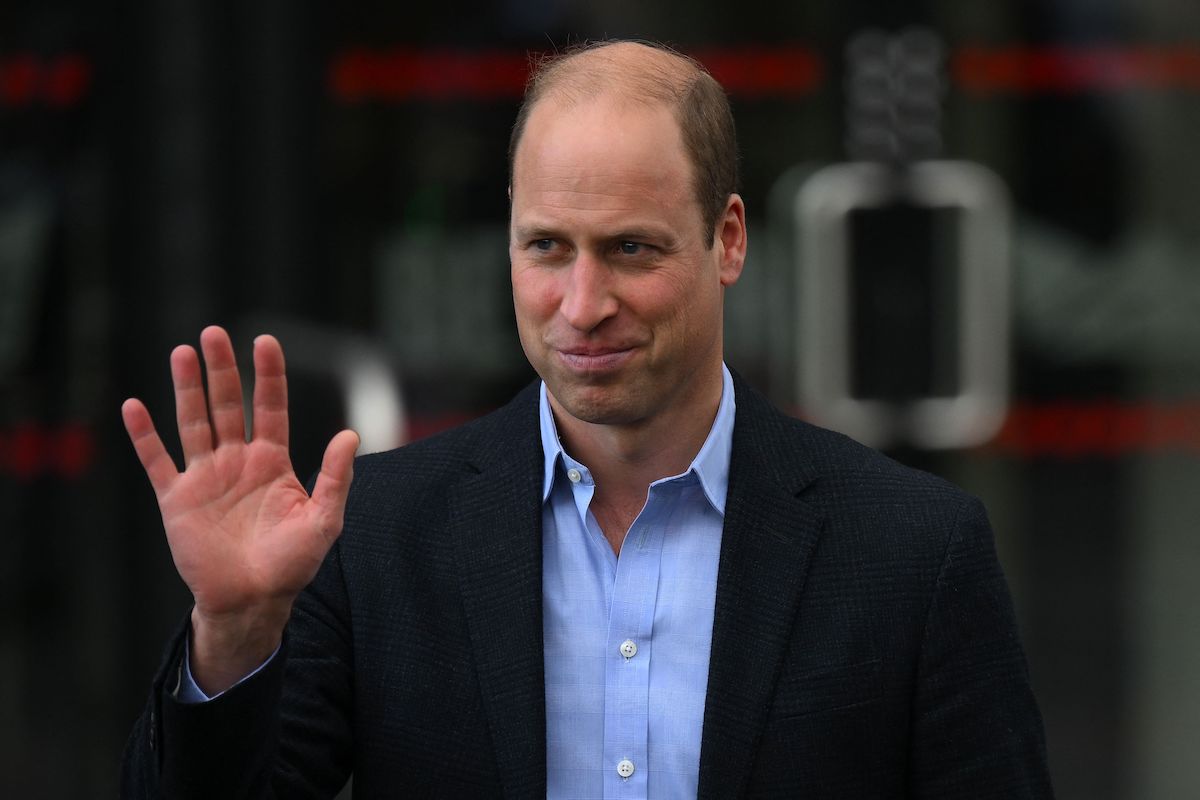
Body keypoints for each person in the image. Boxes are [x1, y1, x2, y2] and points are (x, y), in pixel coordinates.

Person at [121, 40, 1053, 799]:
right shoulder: (370, 535)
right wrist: (235, 636)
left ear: (727, 240)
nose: (581, 302)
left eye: (631, 249)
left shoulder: (911, 551)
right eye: (547, 248)